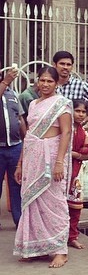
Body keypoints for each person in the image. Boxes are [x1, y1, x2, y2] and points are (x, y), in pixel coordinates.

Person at [14, 66, 72, 268]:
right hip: (32, 157)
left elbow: (66, 133)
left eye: (50, 81)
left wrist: (59, 162)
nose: (45, 84)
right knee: (31, 201)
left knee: (55, 203)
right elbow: (29, 135)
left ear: (56, 84)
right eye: (42, 80)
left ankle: (59, 251)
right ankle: (34, 247)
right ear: (37, 82)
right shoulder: (33, 105)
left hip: (51, 159)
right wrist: (20, 163)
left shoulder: (62, 104)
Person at [0, 66, 27, 227]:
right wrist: (6, 81)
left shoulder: (13, 94)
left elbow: (20, 118)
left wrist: (27, 140)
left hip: (15, 147)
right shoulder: (4, 85)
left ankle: (20, 221)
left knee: (17, 184)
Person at [53, 50, 88, 126]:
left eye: (68, 64)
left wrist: (85, 120)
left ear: (72, 67)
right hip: (52, 130)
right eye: (62, 64)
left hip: (73, 130)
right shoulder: (49, 84)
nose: (65, 67)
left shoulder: (80, 85)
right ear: (55, 65)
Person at [67, 99, 88, 249]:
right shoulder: (65, 129)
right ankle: (60, 236)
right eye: (78, 111)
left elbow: (87, 155)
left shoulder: (84, 132)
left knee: (75, 207)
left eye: (83, 112)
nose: (81, 114)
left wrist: (74, 154)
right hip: (63, 171)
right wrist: (78, 154)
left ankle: (72, 236)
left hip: (77, 174)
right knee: (61, 206)